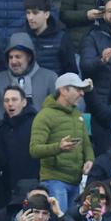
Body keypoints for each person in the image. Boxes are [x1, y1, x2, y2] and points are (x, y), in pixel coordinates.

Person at [29, 73, 94, 212]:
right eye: (77, 89)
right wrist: (58, 147)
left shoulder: (77, 115)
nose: (82, 93)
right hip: (54, 181)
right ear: (64, 90)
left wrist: (89, 159)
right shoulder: (45, 115)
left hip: (76, 182)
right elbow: (34, 149)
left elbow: (86, 143)